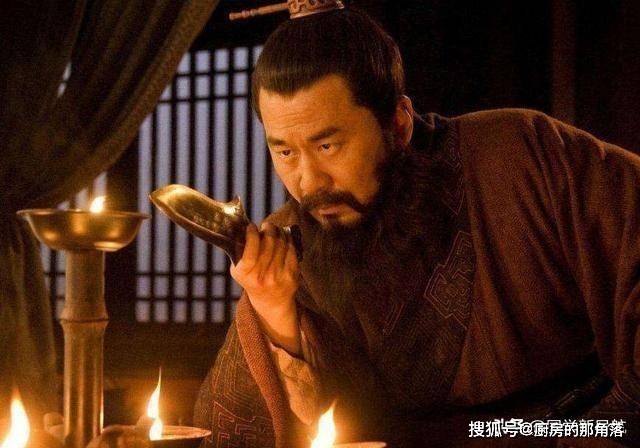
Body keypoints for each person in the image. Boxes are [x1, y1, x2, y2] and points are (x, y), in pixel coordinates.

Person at [192, 6, 640, 448]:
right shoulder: (289, 245)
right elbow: (250, 434)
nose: (309, 183)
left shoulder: (521, 156)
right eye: (285, 153)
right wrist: (273, 313)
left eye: (327, 146)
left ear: (398, 123)